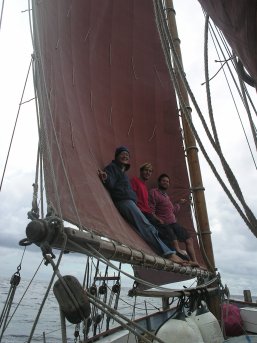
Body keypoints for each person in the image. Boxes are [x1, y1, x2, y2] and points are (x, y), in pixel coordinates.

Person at [98, 146, 187, 265]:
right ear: (117, 156)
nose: (125, 156)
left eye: (127, 155)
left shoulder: (123, 172)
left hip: (130, 202)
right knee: (147, 226)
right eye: (122, 154)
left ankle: (170, 253)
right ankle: (169, 254)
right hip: (125, 202)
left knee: (151, 228)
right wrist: (106, 178)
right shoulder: (113, 168)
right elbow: (111, 180)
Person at [149, 173, 201, 267]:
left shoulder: (166, 196)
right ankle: (182, 260)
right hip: (165, 224)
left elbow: (171, 210)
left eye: (167, 181)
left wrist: (179, 204)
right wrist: (158, 220)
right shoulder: (154, 192)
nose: (166, 183)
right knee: (175, 244)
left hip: (174, 223)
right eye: (164, 181)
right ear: (159, 182)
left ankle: (194, 261)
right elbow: (151, 210)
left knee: (189, 239)